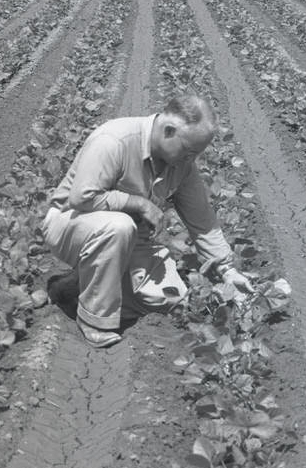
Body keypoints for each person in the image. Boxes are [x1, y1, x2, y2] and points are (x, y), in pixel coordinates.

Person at [42, 93, 254, 347]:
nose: (191, 159)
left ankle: (76, 285)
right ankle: (95, 320)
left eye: (196, 154)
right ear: (168, 130)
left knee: (168, 300)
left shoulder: (181, 164)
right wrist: (138, 203)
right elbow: (82, 198)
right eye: (188, 151)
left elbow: (202, 219)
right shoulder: (114, 140)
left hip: (130, 239)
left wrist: (227, 270)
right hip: (71, 225)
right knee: (118, 226)